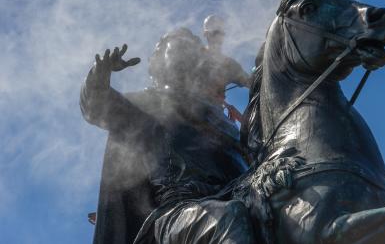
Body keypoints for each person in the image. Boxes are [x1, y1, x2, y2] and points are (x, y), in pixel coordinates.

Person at [80, 28, 255, 244]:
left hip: (244, 199)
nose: (189, 57)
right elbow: (97, 106)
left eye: (194, 52)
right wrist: (99, 76)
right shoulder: (144, 104)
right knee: (228, 219)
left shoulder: (223, 119)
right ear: (157, 64)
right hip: (179, 212)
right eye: (180, 49)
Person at [198, 15, 251, 121]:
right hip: (192, 109)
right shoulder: (195, 55)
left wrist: (260, 70)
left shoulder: (230, 64)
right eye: (213, 33)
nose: (216, 38)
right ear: (206, 35)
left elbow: (251, 82)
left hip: (216, 114)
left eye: (219, 34)